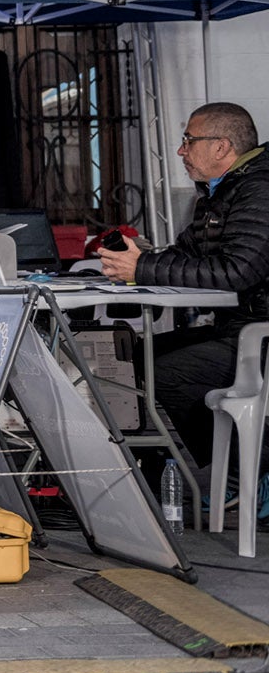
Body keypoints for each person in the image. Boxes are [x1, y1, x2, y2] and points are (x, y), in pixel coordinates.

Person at [101, 102, 269, 479]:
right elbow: (187, 255)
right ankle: (232, 468)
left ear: (222, 147)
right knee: (136, 361)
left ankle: (252, 472)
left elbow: (237, 271)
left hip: (258, 335)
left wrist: (143, 268)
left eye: (188, 141)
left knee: (164, 372)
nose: (181, 150)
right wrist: (137, 262)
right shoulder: (219, 192)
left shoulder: (258, 190)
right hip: (239, 331)